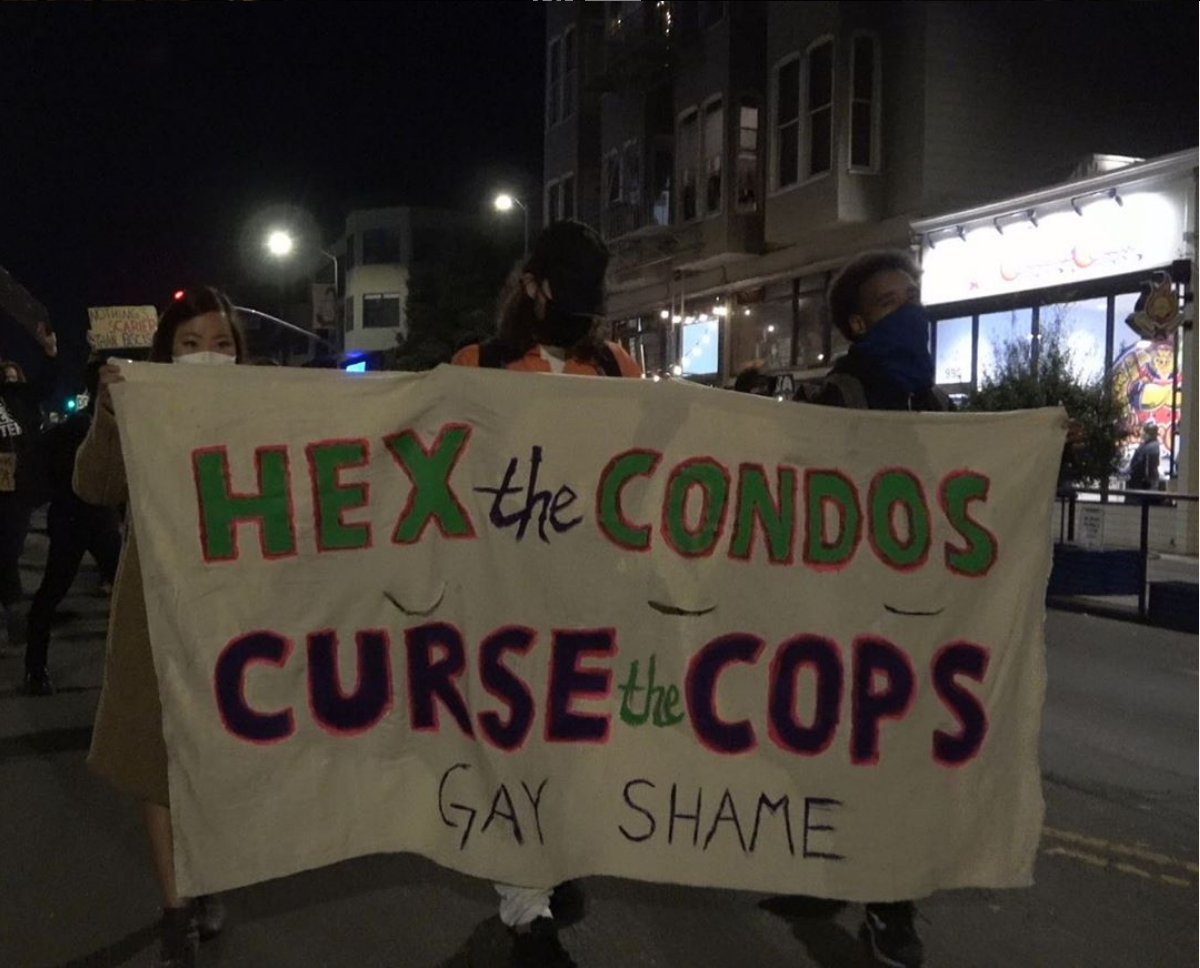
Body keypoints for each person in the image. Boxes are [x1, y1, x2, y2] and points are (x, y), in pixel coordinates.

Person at [452, 220, 640, 965]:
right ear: (533, 287)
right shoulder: (481, 365)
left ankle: (549, 861)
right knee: (515, 737)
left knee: (570, 741)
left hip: (592, 590)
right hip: (507, 588)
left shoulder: (620, 369)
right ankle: (524, 906)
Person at [76, 287, 244, 968]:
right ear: (165, 354)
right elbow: (94, 487)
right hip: (155, 606)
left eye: (223, 345)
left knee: (225, 753)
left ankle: (208, 876)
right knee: (156, 757)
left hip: (239, 611)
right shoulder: (136, 408)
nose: (209, 357)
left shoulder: (268, 410)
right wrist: (112, 413)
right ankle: (177, 906)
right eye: (191, 345)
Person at [797, 249, 944, 968]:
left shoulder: (936, 405)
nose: (911, 311)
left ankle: (864, 885)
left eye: (914, 296)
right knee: (867, 761)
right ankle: (887, 907)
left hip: (921, 616)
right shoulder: (839, 397)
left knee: (899, 766)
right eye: (892, 303)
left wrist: (1048, 451)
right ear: (857, 323)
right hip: (851, 619)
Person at [23, 359, 123, 695]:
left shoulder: (122, 423)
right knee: (52, 591)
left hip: (102, 520)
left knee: (132, 593)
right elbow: (50, 471)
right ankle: (35, 669)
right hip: (72, 521)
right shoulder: (72, 429)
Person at [1, 324, 58, 651]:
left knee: (9, 550)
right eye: (3, 375)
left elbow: (45, 384)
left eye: (13, 375)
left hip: (17, 486)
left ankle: (13, 609)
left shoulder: (22, 398)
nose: (9, 378)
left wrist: (49, 354)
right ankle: (14, 613)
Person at [1125, 420, 1162, 504]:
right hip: (1147, 482)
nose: (1142, 434)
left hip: (1143, 483)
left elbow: (1139, 464)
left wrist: (1129, 470)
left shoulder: (1149, 447)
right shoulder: (1151, 445)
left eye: (1145, 432)